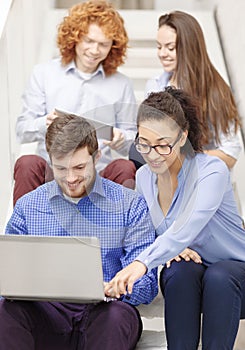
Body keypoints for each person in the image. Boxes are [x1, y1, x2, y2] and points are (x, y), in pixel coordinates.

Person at [1, 113, 158, 349]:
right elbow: (9, 272)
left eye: (79, 167)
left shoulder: (129, 204)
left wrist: (117, 287)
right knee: (5, 312)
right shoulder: (28, 206)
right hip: (46, 314)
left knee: (115, 318)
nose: (71, 178)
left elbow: (147, 284)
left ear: (97, 157)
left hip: (104, 311)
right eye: (61, 168)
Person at [105, 88, 245, 350]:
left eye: (162, 145)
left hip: (237, 273)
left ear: (182, 138)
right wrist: (172, 249)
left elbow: (188, 224)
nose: (153, 154)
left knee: (219, 275)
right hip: (194, 274)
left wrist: (142, 263)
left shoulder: (211, 171)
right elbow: (153, 232)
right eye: (144, 143)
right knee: (178, 271)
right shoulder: (145, 178)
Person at [14, 0, 137, 206]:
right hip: (53, 172)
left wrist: (121, 138)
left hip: (96, 177)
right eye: (89, 40)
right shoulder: (44, 73)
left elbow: (134, 142)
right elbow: (21, 130)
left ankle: (116, 234)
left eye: (103, 44)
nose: (95, 50)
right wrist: (44, 123)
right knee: (27, 163)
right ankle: (21, 233)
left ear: (112, 47)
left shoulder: (121, 84)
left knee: (124, 167)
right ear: (75, 37)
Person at [130, 10, 241, 170]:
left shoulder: (216, 91)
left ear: (189, 48)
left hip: (199, 176)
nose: (162, 54)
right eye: (159, 46)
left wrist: (186, 156)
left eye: (170, 47)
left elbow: (230, 154)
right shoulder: (155, 85)